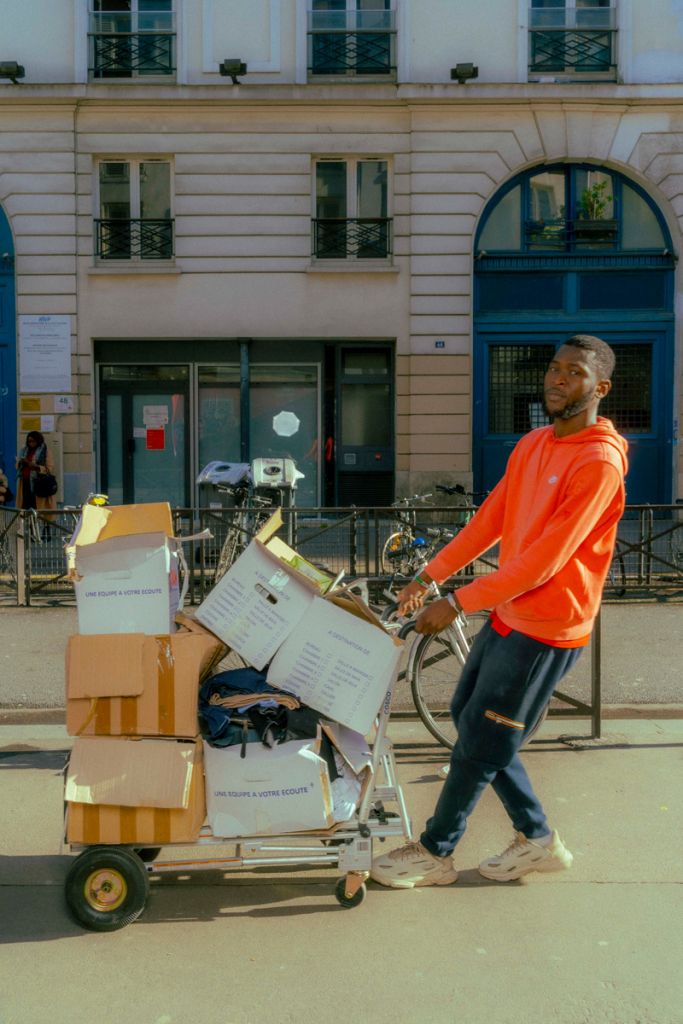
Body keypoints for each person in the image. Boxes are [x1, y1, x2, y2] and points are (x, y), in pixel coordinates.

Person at [371, 334, 628, 889]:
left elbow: (544, 562)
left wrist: (456, 601)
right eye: (554, 369)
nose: (557, 380)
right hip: (511, 612)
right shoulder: (534, 443)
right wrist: (427, 576)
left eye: (574, 373)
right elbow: (489, 522)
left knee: (483, 740)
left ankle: (436, 851)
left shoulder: (599, 463)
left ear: (600, 388)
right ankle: (536, 838)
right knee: (475, 723)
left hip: (550, 627)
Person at [15, 431, 57, 512]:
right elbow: (17, 465)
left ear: (38, 440)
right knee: (25, 505)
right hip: (25, 482)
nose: (31, 443)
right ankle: (28, 524)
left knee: (37, 506)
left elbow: (49, 468)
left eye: (33, 441)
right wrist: (21, 462)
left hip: (38, 482)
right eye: (29, 441)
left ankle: (40, 523)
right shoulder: (24, 451)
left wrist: (35, 466)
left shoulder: (45, 451)